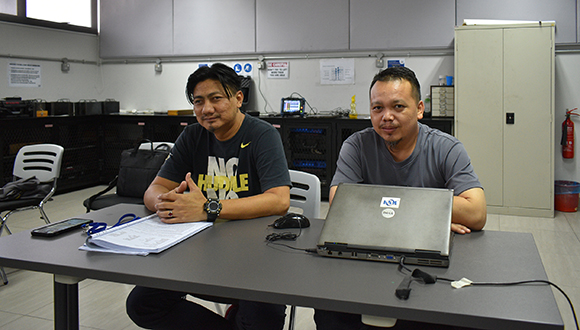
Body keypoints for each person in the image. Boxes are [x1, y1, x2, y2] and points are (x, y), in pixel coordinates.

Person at [314, 66, 487, 330]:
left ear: (419, 109)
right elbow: (340, 202)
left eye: (397, 106)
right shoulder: (356, 146)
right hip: (367, 262)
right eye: (377, 108)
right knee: (330, 313)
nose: (387, 117)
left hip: (428, 266)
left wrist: (386, 209)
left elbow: (476, 213)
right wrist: (431, 217)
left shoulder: (446, 148)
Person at [126, 63, 291, 330]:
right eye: (198, 101)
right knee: (141, 304)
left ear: (238, 98)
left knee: (263, 320)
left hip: (255, 256)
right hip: (198, 250)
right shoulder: (192, 135)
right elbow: (153, 190)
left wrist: (208, 208)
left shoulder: (262, 134)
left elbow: (279, 200)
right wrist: (167, 203)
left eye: (216, 98)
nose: (206, 109)